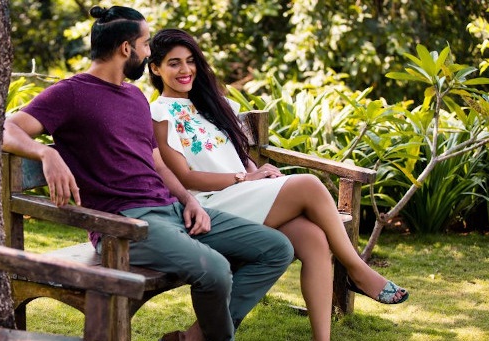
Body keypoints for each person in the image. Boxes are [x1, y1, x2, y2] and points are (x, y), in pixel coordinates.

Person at [3, 6, 294, 341]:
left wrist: (188, 201)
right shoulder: (72, 92)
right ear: (126, 48)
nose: (146, 53)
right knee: (214, 270)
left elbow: (155, 161)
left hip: (170, 211)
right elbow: (8, 127)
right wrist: (44, 153)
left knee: (275, 248)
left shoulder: (135, 97)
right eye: (144, 45)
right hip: (126, 225)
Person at [147, 28, 409, 341]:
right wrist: (245, 178)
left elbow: (239, 158)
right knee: (310, 184)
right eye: (174, 63)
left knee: (314, 240)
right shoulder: (159, 113)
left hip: (242, 192)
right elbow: (185, 177)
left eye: (190, 61)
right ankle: (357, 269)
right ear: (155, 68)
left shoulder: (217, 106)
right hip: (209, 206)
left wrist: (257, 172)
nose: (185, 70)